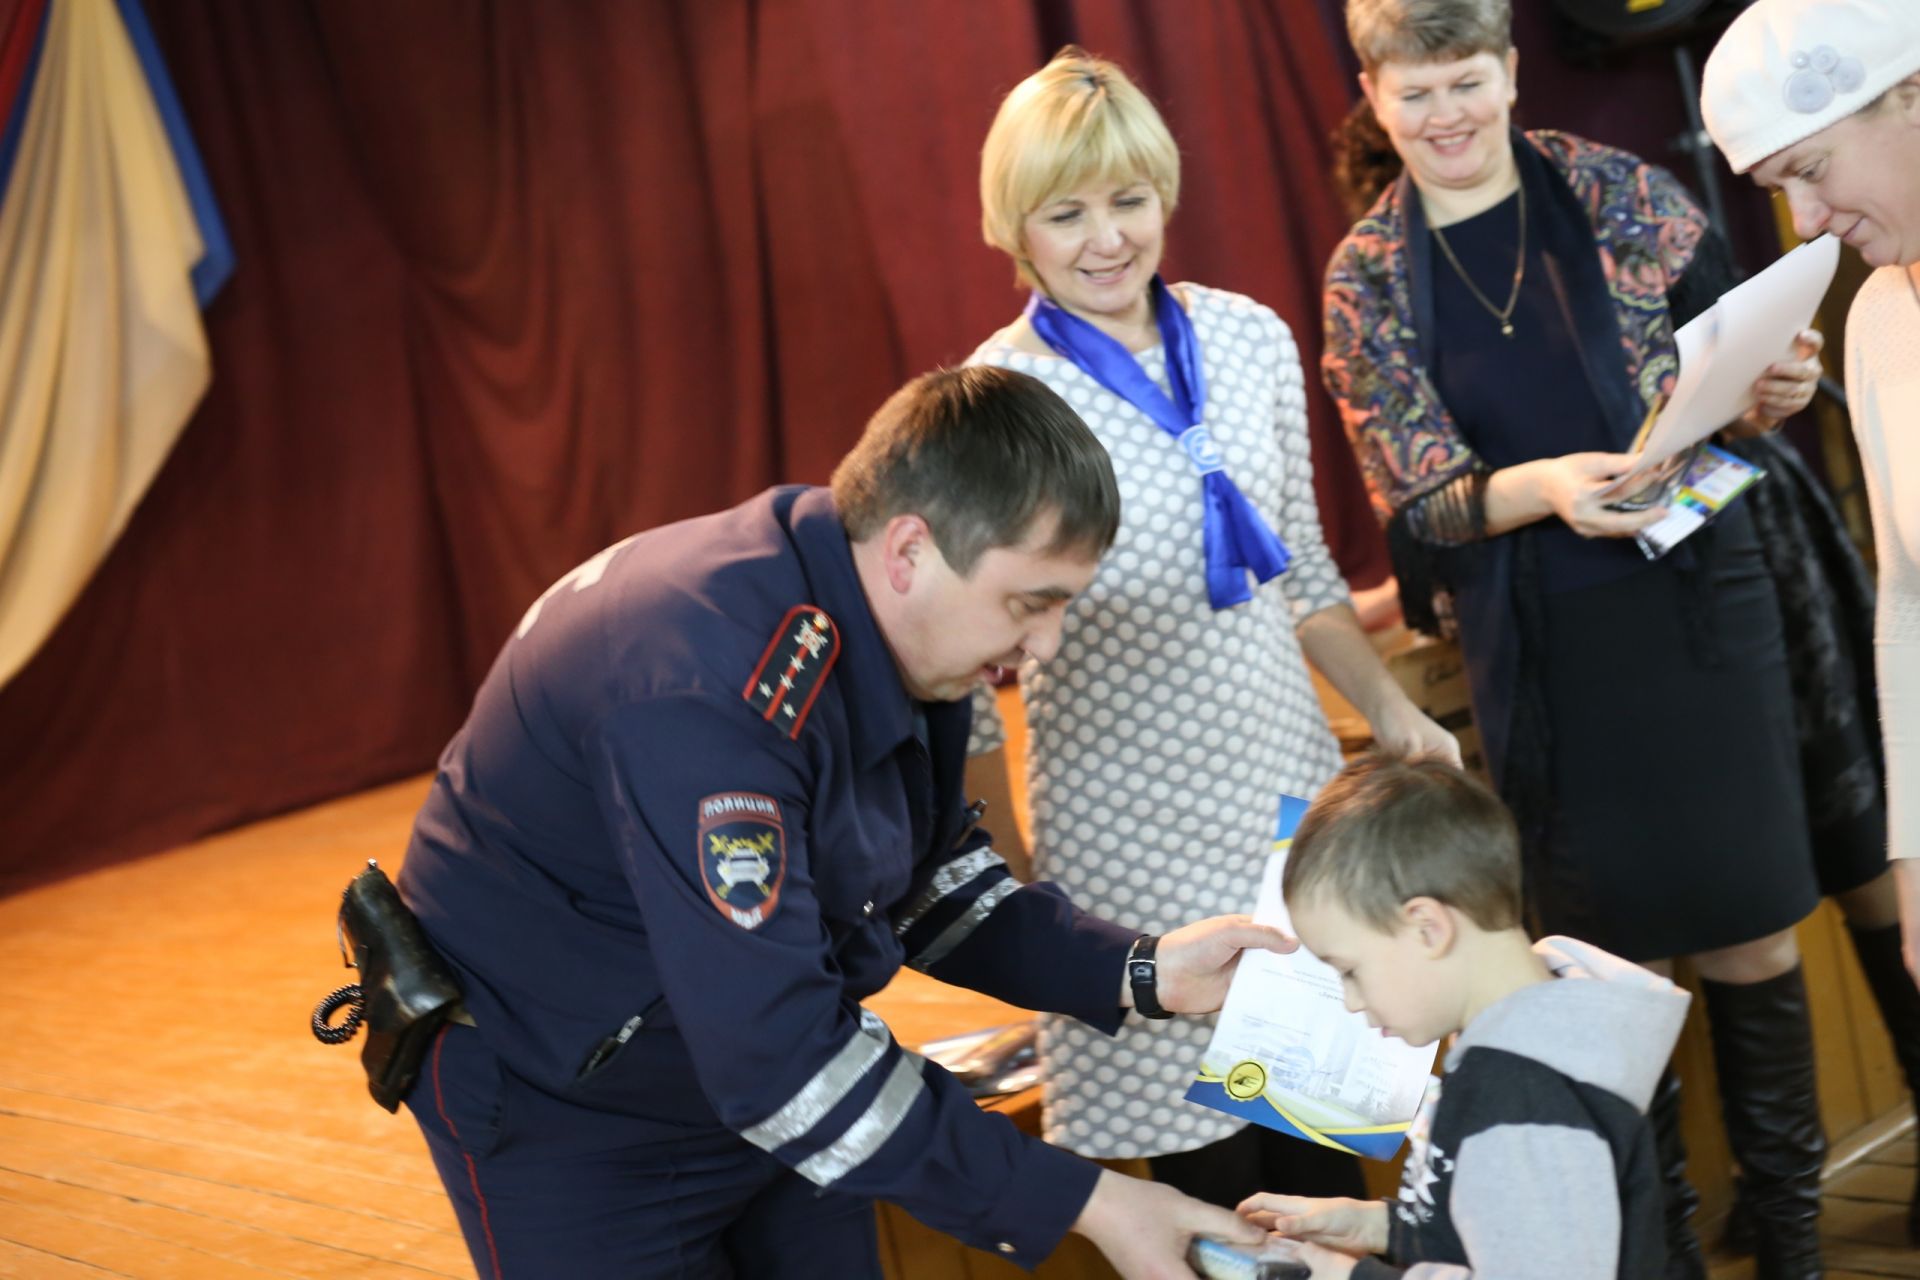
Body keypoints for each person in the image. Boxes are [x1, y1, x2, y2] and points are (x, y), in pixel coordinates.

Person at [393, 365, 1285, 1279]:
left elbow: (923, 882)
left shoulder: (882, 618)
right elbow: (774, 1057)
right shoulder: (705, 686)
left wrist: (1141, 970)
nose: (1046, 645)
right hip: (573, 1111)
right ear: (910, 550)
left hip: (762, 1070)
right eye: (1031, 603)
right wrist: (1091, 1202)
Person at [1322, 3, 1847, 1276]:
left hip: (1699, 602)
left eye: (1465, 79)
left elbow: (1745, 348)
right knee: (1601, 958)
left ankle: (1796, 1240)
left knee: (1753, 927)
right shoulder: (1366, 273)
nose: (1444, 113)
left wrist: (1783, 381)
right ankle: (1646, 1245)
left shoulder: (1615, 185)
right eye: (1415, 91)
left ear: (1507, 69)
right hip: (1542, 639)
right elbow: (1420, 491)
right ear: (1374, 97)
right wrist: (1546, 484)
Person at [962, 47, 1459, 1212]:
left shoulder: (1246, 337)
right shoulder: (1002, 396)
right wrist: (1012, 877)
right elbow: (974, 666)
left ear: (1164, 194)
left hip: (1287, 806)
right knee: (1215, 1196)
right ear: (1014, 227)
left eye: (1128, 201)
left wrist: (1388, 710)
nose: (1106, 239)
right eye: (1066, 212)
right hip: (1125, 840)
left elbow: (1303, 570)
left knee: (1324, 1156)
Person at [1703, 0, 1920, 1244]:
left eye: (1808, 169)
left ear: (1907, 94)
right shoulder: (1882, 320)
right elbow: (1904, 603)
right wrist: (1911, 858)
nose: (1803, 220)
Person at [1237, 753, 1691, 1279]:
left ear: (1428, 928)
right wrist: (1380, 1226)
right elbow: (1508, 1225)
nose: (1352, 1001)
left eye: (1350, 970)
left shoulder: (1519, 1101)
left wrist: (1349, 1277)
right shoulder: (1537, 1036)